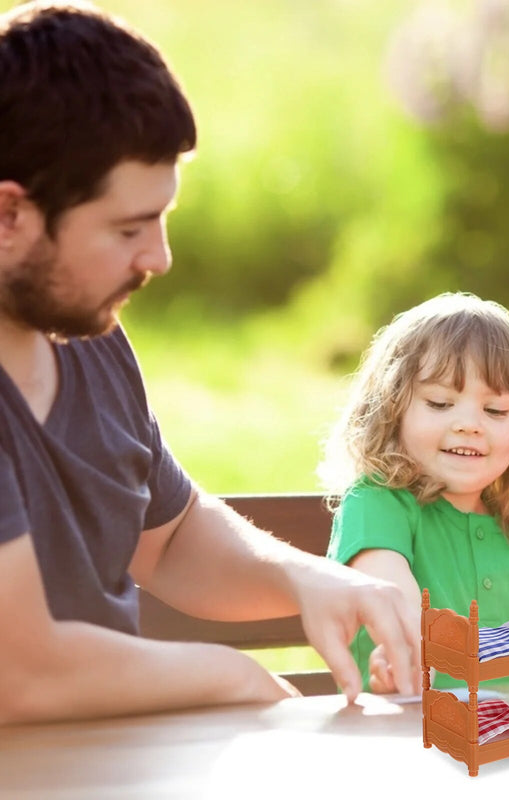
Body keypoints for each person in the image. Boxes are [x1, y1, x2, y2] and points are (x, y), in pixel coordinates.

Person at [0, 0, 419, 724]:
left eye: (161, 220)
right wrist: (235, 677)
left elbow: (169, 539)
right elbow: (24, 674)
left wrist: (304, 580)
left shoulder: (88, 336)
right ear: (9, 216)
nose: (158, 258)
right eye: (128, 228)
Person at [321, 292, 509, 692]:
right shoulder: (377, 504)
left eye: (495, 411)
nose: (469, 424)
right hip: (401, 738)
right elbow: (397, 614)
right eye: (440, 403)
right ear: (392, 410)